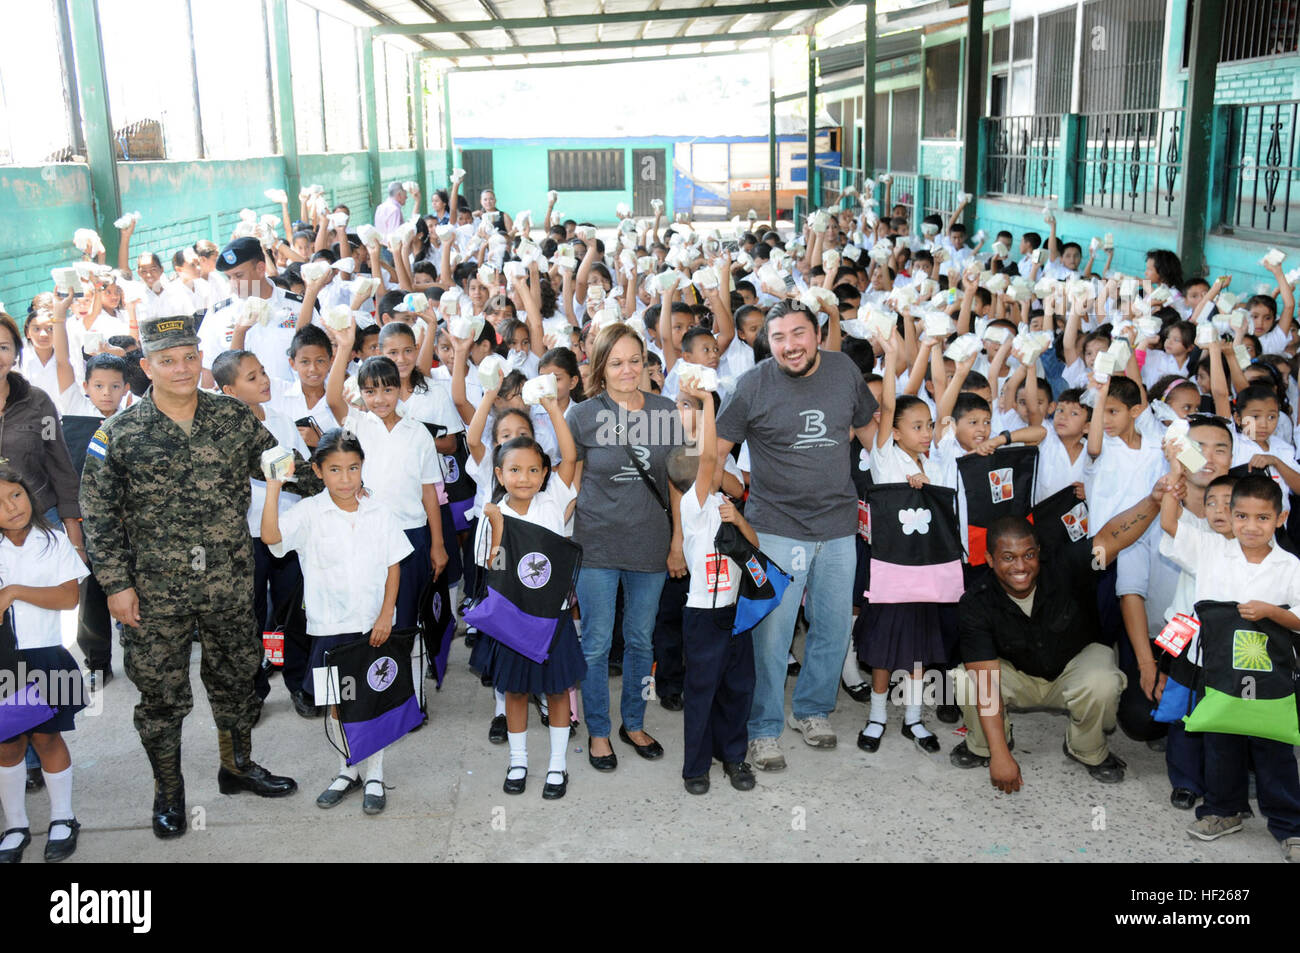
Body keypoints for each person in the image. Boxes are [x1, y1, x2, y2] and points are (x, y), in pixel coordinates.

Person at [79, 313, 320, 839]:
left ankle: (236, 768)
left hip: (229, 582)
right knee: (162, 698)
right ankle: (169, 792)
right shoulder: (117, 434)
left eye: (190, 357)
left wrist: (333, 475)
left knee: (236, 681)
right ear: (146, 366)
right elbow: (96, 516)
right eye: (167, 360)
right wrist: (116, 586)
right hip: (153, 594)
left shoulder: (233, 418)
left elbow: (277, 464)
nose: (182, 368)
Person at [714, 302, 877, 770]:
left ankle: (813, 710)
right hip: (775, 530)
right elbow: (717, 452)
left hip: (839, 527)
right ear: (769, 341)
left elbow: (870, 431)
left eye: (799, 333)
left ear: (818, 332)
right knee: (772, 635)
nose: (791, 345)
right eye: (780, 336)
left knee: (831, 627)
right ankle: (763, 729)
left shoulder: (844, 369)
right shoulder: (752, 385)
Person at [262, 429, 412, 815]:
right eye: (335, 470)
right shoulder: (310, 512)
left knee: (371, 700)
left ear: (363, 468)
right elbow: (271, 537)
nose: (346, 478)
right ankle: (347, 769)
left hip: (371, 625)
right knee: (335, 702)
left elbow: (394, 565)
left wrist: (385, 615)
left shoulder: (378, 512)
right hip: (328, 627)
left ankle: (375, 773)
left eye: (353, 468)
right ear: (318, 471)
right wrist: (274, 486)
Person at [1159, 471, 1300, 861]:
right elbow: (1169, 523)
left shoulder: (1290, 567)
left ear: (1281, 518)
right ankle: (1224, 809)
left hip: (1269, 676)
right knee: (1220, 743)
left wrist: (1272, 613)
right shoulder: (1210, 550)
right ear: (1231, 517)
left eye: (1262, 518)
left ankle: (1290, 825)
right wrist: (1173, 484)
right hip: (1218, 671)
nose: (1250, 526)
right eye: (1241, 516)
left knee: (1274, 748)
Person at [566, 322, 685, 771]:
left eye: (635, 360)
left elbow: (677, 482)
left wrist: (678, 540)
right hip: (595, 543)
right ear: (600, 367)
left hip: (651, 543)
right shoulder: (582, 415)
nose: (627, 369)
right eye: (616, 362)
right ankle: (598, 730)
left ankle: (632, 722)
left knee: (640, 639)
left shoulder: (665, 410)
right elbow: (569, 484)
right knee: (596, 644)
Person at [951, 516, 1128, 789]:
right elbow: (986, 684)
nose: (1021, 566)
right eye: (1008, 557)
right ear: (990, 559)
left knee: (1103, 680)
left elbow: (1110, 539)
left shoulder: (1064, 567)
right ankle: (985, 746)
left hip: (1072, 670)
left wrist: (1154, 501)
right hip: (1018, 678)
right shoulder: (976, 602)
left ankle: (1086, 748)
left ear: (1038, 553)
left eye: (1029, 555)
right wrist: (1001, 756)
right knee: (967, 679)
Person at [474, 394, 583, 800]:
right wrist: (498, 523)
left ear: (544, 474)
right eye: (515, 470)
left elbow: (569, 456)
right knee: (516, 692)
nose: (524, 477)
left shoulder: (554, 499)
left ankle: (558, 764)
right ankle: (518, 760)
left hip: (552, 617)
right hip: (513, 621)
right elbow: (495, 565)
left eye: (534, 470)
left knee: (557, 691)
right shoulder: (494, 513)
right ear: (500, 474)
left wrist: (554, 408)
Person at [212, 349, 316, 719]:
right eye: (252, 378)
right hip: (244, 539)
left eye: (263, 372)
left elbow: (305, 474)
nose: (264, 381)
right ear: (229, 390)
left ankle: (301, 684)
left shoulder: (282, 421)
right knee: (249, 617)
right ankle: (253, 692)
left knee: (295, 613)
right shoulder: (218, 433)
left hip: (286, 533)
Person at [666, 379, 756, 795]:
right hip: (704, 614)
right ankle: (695, 767)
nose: (717, 471)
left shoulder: (724, 507)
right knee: (701, 690)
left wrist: (738, 519)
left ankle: (734, 757)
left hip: (737, 612)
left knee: (738, 688)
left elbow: (753, 551)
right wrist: (704, 403)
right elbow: (706, 459)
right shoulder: (693, 506)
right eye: (709, 471)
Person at [0, 469, 89, 863]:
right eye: (0, 503)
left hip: (46, 657)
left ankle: (63, 817)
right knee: (7, 745)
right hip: (4, 661)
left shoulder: (52, 541)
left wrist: (14, 591)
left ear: (29, 496)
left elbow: (68, 598)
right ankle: (16, 825)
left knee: (48, 738)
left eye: (15, 495)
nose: (10, 507)